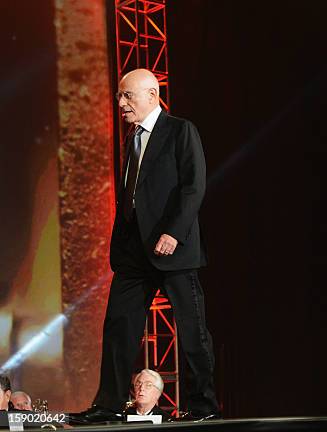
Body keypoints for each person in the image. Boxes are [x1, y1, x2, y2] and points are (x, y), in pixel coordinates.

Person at [71, 68, 219, 424]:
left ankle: (205, 407)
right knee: (119, 327)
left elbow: (193, 187)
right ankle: (108, 406)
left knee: (192, 329)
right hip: (133, 254)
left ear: (152, 95)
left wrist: (174, 232)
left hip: (173, 248)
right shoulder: (132, 139)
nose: (120, 103)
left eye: (127, 96)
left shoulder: (180, 130)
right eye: (119, 96)